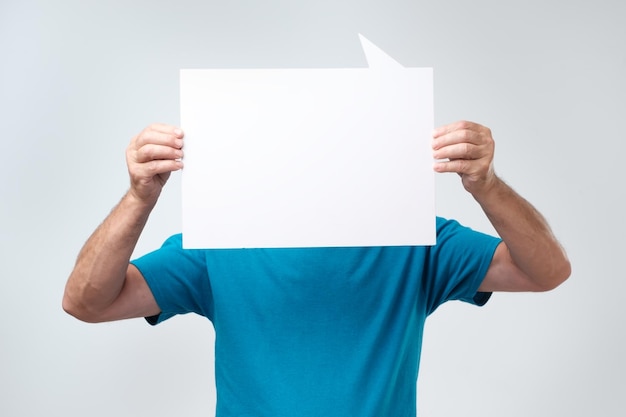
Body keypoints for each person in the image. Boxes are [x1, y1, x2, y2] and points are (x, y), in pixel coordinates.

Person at [63, 120, 570, 416]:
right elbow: (87, 302)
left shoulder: (418, 239)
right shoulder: (218, 242)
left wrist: (487, 185)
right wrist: (139, 197)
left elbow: (545, 271)